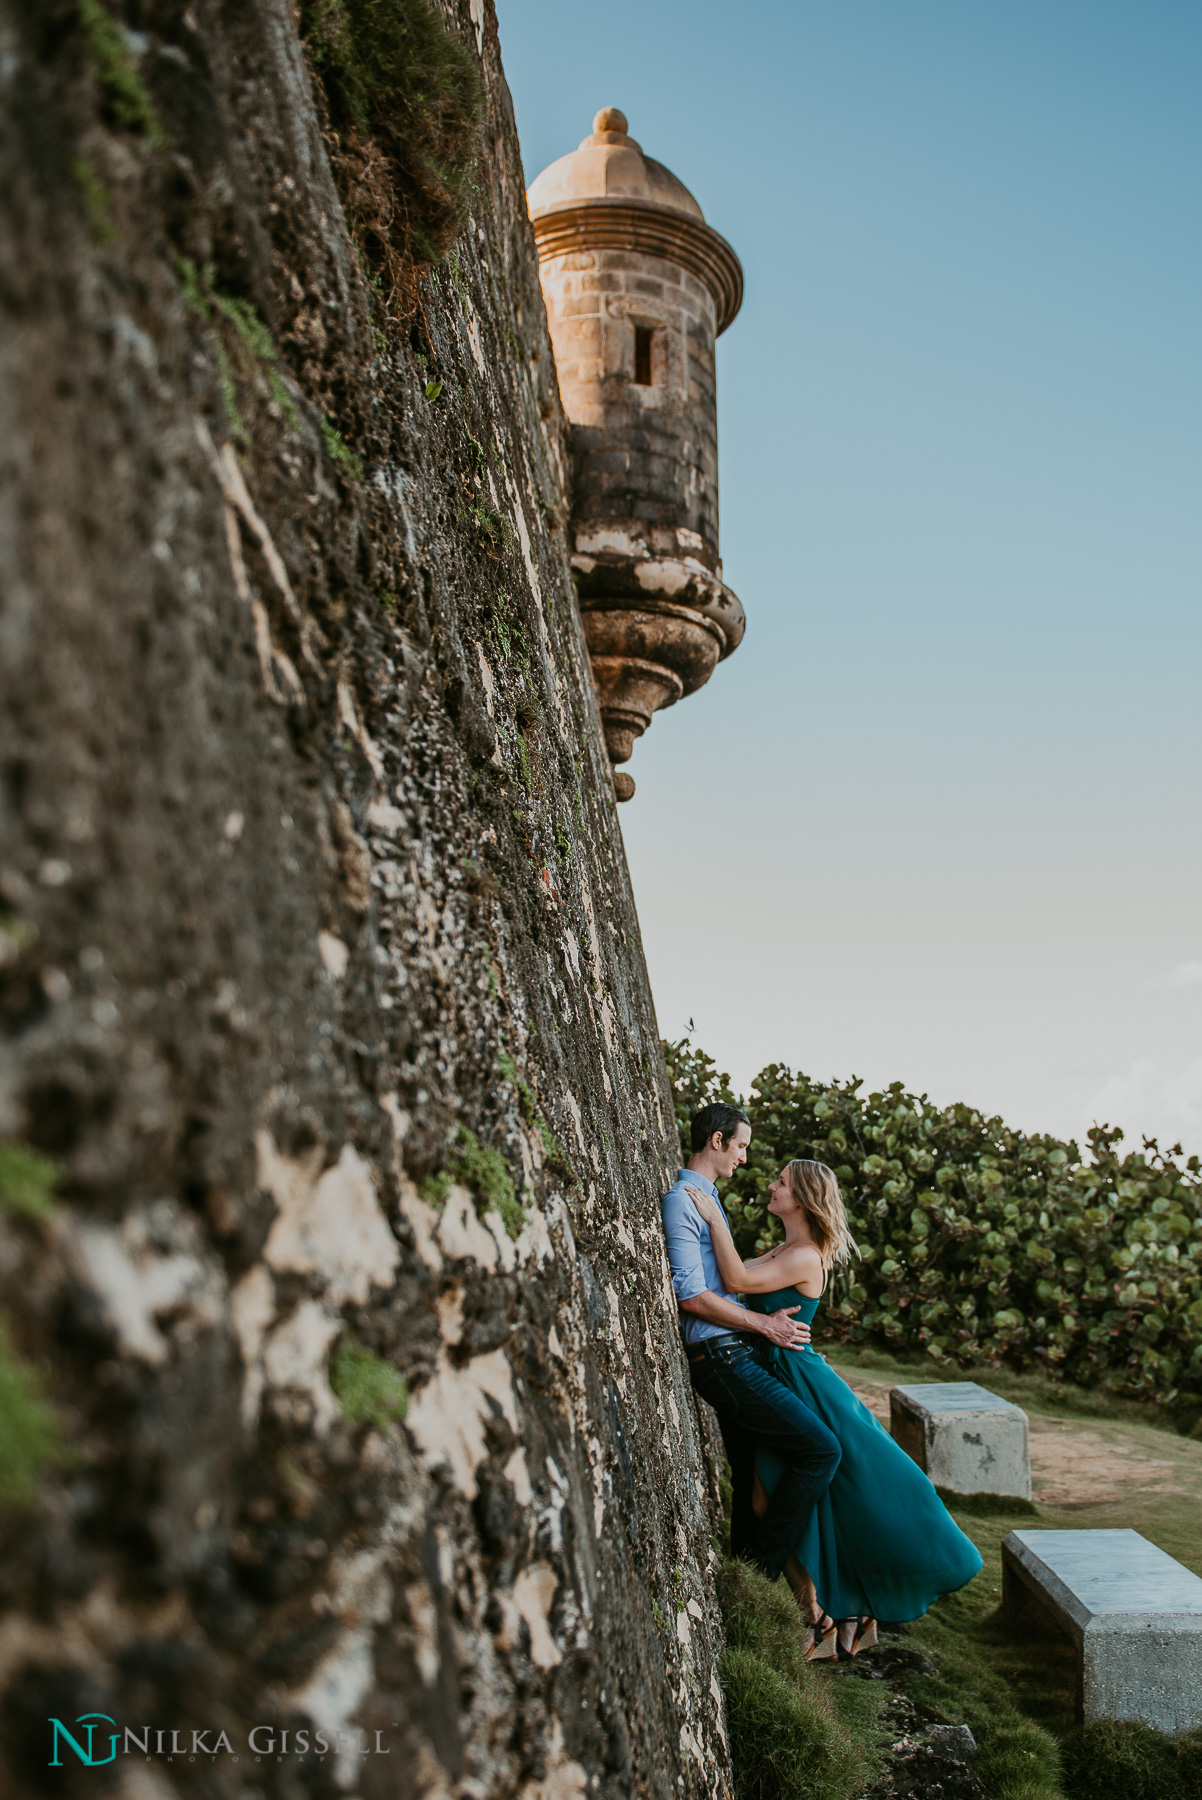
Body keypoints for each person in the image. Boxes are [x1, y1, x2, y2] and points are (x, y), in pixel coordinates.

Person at [684, 1158, 984, 1658]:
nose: (771, 1184)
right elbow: (731, 1283)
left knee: (830, 1494)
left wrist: (713, 1217)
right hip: (771, 1373)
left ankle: (828, 1611)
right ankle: (821, 1613)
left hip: (800, 1381)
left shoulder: (805, 1256)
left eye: (781, 1181)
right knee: (769, 1500)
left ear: (801, 1197)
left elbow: (733, 1273)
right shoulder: (785, 1248)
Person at [661, 1104, 843, 1648]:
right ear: (717, 1141)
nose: (747, 1159)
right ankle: (760, 1583)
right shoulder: (685, 1200)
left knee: (751, 1480)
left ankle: (746, 1586)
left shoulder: (708, 1198)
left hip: (733, 1351)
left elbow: (735, 1278)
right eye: (741, 1146)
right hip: (723, 1357)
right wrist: (763, 1324)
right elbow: (692, 1295)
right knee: (821, 1452)